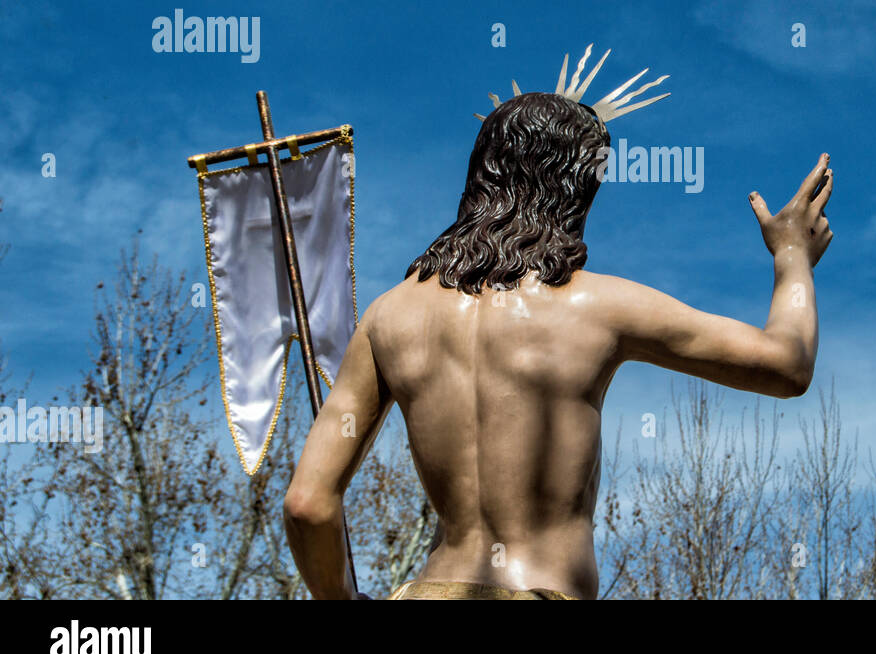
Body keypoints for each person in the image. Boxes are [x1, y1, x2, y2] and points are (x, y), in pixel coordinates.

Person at [284, 52, 833, 599]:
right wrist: (792, 259)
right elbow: (785, 364)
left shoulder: (389, 316)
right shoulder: (599, 306)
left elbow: (307, 505)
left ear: (479, 175)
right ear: (578, 190)